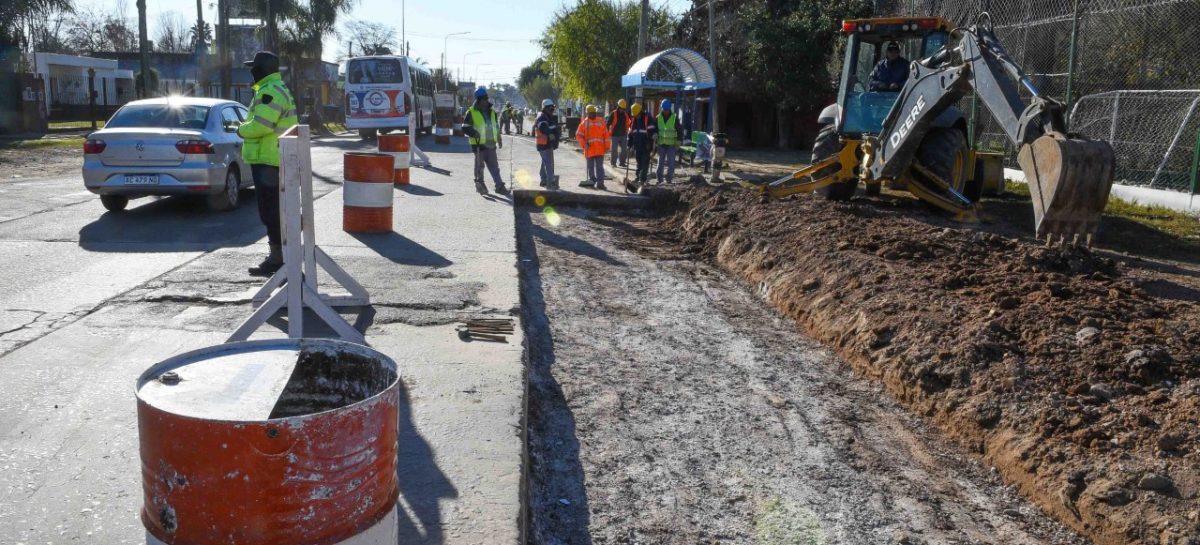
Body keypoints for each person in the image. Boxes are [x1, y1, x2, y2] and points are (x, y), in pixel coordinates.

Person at [238, 50, 298, 277]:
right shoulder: (273, 89)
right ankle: (280, 256)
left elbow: (261, 125)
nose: (251, 71)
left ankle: (278, 258)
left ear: (262, 69)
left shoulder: (270, 91)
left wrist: (240, 129)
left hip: (269, 160)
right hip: (272, 158)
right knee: (273, 210)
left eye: (254, 67)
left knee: (271, 211)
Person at [461, 86, 508, 195]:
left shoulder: (492, 112)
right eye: (484, 99)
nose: (487, 100)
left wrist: (499, 138)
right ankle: (480, 184)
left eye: (487, 98)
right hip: (478, 145)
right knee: (479, 167)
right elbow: (465, 127)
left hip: (491, 144)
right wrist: (474, 133)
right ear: (479, 100)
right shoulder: (471, 112)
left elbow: (495, 126)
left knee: (495, 167)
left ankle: (499, 186)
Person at [575, 104, 611, 190]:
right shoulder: (584, 123)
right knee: (590, 167)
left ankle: (600, 184)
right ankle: (592, 181)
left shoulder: (601, 121)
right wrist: (584, 144)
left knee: (600, 167)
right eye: (591, 113)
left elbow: (606, 135)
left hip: (599, 149)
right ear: (587, 113)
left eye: (594, 112)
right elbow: (578, 135)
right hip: (589, 149)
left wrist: (607, 146)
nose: (593, 114)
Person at [626, 102, 654, 193]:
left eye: (636, 114)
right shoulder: (633, 120)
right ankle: (638, 177)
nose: (635, 116)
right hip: (637, 145)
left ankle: (642, 180)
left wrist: (650, 142)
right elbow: (630, 134)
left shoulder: (647, 119)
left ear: (640, 112)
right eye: (634, 115)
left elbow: (652, 131)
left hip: (646, 145)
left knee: (645, 163)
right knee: (638, 163)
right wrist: (629, 144)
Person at [654, 98, 683, 184]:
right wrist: (654, 134)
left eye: (667, 109)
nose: (666, 111)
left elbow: (679, 131)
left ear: (669, 108)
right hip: (661, 144)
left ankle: (669, 179)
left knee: (671, 163)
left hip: (671, 144)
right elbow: (654, 129)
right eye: (664, 109)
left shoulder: (674, 118)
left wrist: (678, 141)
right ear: (662, 108)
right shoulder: (658, 118)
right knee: (660, 163)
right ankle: (659, 179)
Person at [535, 98, 560, 190]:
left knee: (545, 162)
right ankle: (551, 181)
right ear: (545, 108)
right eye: (551, 109)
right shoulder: (541, 116)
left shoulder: (548, 116)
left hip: (547, 143)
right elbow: (542, 127)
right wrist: (549, 134)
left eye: (553, 109)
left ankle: (543, 180)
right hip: (543, 144)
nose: (552, 110)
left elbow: (551, 127)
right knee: (548, 163)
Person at [606, 98, 630, 168]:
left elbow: (628, 123)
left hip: (623, 134)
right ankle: (613, 163)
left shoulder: (625, 115)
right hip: (615, 135)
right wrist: (607, 132)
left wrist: (627, 131)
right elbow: (608, 123)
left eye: (623, 108)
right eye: (621, 108)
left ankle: (622, 162)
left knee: (624, 150)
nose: (622, 110)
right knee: (614, 150)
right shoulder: (613, 113)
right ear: (618, 107)